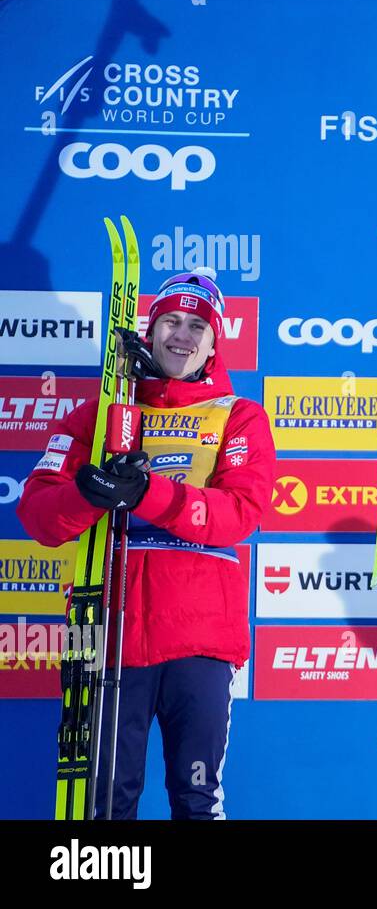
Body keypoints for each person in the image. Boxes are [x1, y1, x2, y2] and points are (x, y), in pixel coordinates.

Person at [19, 271, 274, 820]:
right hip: (109, 631)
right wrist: (88, 493)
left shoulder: (238, 416)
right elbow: (38, 516)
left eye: (197, 325)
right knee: (106, 801)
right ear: (151, 331)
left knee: (197, 798)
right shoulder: (97, 417)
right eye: (171, 321)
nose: (182, 335)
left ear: (213, 342)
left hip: (200, 641)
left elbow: (239, 514)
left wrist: (148, 493)